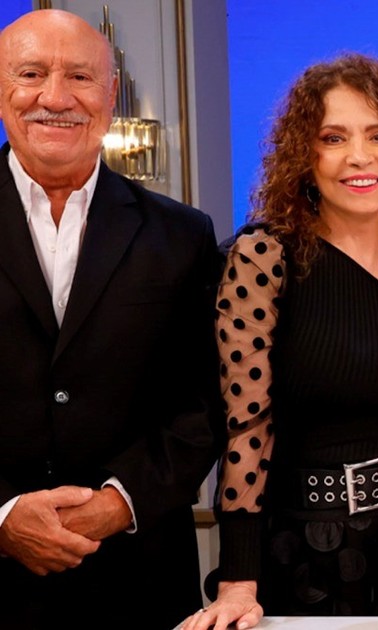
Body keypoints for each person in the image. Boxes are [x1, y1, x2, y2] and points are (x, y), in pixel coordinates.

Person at [180, 54, 378, 630]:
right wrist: (237, 581)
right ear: (304, 157)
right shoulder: (262, 257)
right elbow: (246, 429)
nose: (359, 156)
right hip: (305, 550)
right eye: (333, 138)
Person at [0, 8, 223, 629]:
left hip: (140, 583)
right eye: (30, 74)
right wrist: (3, 517)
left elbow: (206, 402)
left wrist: (117, 504)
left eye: (79, 76)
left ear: (111, 93)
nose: (55, 97)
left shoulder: (182, 235)